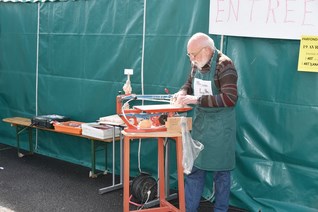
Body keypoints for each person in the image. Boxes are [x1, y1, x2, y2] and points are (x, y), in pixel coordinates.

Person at [175, 32, 238, 212]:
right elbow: (188, 84)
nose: (191, 59)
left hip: (220, 129)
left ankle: (220, 210)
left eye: (193, 54)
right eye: (189, 55)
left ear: (208, 50)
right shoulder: (197, 64)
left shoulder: (225, 66)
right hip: (201, 126)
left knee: (222, 174)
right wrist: (182, 92)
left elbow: (230, 98)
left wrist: (197, 100)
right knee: (195, 170)